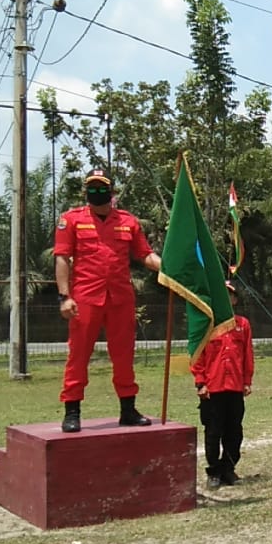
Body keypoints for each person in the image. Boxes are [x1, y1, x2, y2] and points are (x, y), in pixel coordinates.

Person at [54, 169, 161, 433]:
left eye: (102, 187)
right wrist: (64, 297)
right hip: (85, 298)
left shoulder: (128, 221)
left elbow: (145, 255)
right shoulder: (71, 220)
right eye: (92, 187)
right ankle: (72, 411)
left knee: (124, 355)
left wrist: (168, 268)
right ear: (85, 191)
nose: (97, 192)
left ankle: (128, 409)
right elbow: (62, 258)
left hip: (120, 298)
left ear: (111, 192)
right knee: (78, 355)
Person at [192, 281, 254, 488]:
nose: (226, 298)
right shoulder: (207, 325)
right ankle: (214, 472)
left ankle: (228, 468)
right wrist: (200, 382)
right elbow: (197, 355)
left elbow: (247, 355)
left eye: (230, 295)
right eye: (222, 294)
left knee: (234, 432)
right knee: (213, 432)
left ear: (235, 300)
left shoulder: (242, 325)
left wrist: (247, 381)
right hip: (213, 388)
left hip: (235, 387)